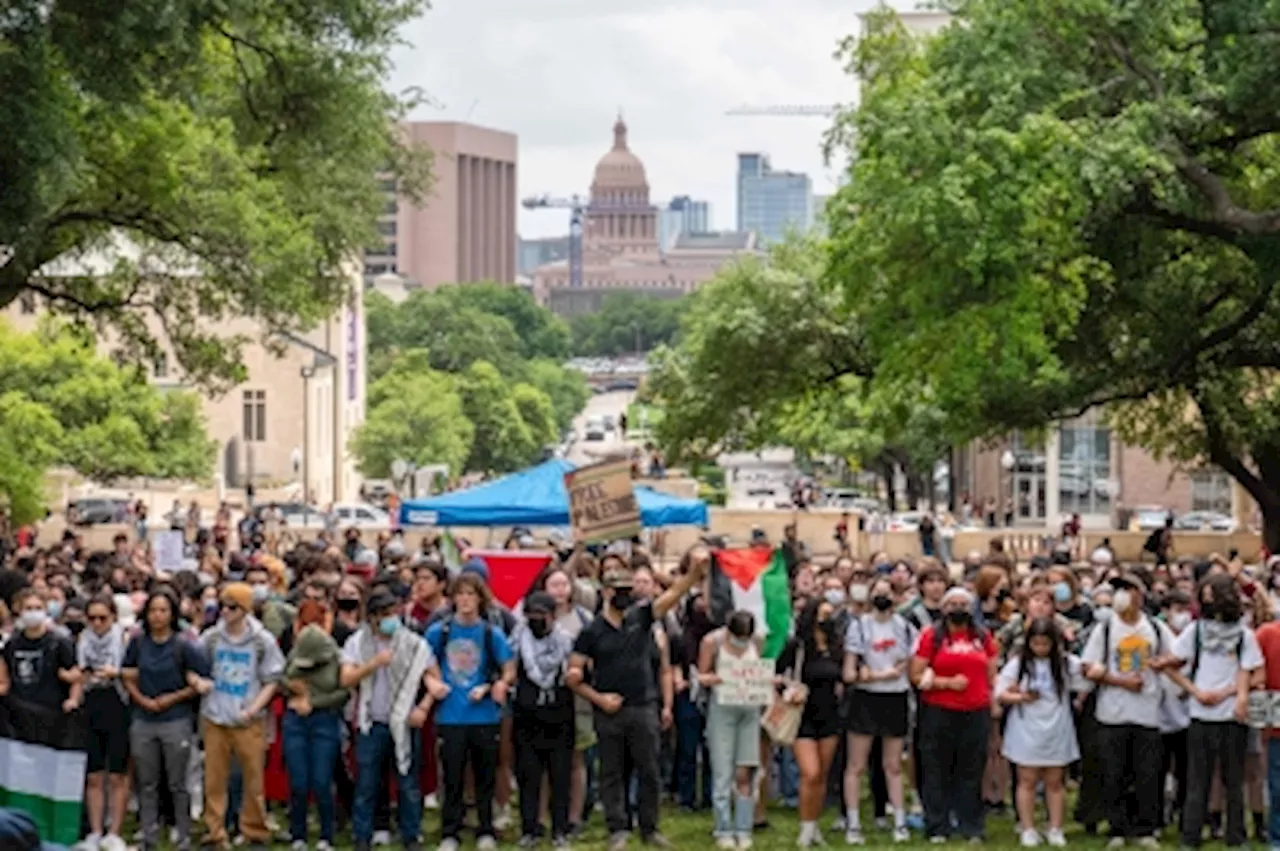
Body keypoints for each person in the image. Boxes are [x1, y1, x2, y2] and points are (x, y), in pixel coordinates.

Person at [567, 547, 709, 851]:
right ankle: (617, 828)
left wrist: (695, 573)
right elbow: (573, 675)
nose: (625, 595)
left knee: (649, 770)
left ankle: (650, 827)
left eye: (628, 590)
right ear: (605, 592)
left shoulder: (642, 617)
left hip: (644, 705)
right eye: (619, 590)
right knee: (611, 772)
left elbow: (671, 595)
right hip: (609, 711)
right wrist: (598, 698)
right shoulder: (591, 631)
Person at [1162, 574, 1262, 848]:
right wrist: (1196, 691)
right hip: (1200, 714)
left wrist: (1232, 694)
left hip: (1231, 715)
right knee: (1198, 779)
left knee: (1234, 779)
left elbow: (1250, 671)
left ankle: (1236, 835)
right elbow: (1172, 665)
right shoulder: (1195, 631)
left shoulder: (1244, 635)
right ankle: (1191, 835)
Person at [1080, 573, 1172, 847]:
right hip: (1113, 711)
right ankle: (1117, 827)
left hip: (1148, 711)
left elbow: (1176, 656)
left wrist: (1160, 664)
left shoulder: (1154, 628)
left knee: (1148, 771)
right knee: (1114, 771)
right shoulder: (1106, 629)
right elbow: (1089, 666)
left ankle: (1146, 827)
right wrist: (1119, 681)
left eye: (1127, 590)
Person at [424, 574, 515, 851]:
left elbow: (509, 667)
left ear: (480, 598)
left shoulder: (491, 633)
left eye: (470, 594)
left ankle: (485, 827)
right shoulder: (438, 632)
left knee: (485, 774)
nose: (465, 600)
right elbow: (426, 662)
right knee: (452, 776)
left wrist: (498, 684)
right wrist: (433, 682)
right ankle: (450, 831)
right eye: (460, 594)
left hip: (484, 715)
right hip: (450, 715)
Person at [195, 582, 286, 850]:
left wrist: (254, 708)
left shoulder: (262, 640)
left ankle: (255, 831)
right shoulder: (211, 638)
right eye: (222, 605)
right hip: (215, 716)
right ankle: (215, 831)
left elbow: (272, 679)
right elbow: (195, 666)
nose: (226, 611)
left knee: (253, 779)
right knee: (213, 779)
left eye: (233, 606)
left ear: (245, 609)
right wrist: (199, 683)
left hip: (248, 719)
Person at [342, 590, 434, 851]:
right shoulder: (357, 643)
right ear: (371, 618)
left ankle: (411, 836)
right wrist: (373, 664)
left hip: (403, 722)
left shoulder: (415, 644)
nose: (391, 620)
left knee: (408, 783)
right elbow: (346, 679)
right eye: (384, 615)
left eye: (394, 613)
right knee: (367, 784)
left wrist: (423, 708)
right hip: (371, 722)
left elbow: (433, 679)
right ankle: (362, 836)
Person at [121, 589, 209, 851]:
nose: (158, 616)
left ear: (172, 614)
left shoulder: (183, 645)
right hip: (143, 718)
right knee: (147, 781)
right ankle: (148, 833)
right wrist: (142, 699)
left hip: (176, 719)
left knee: (177, 781)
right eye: (153, 611)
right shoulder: (138, 643)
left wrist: (171, 698)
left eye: (163, 611)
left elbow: (201, 681)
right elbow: (127, 675)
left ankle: (182, 834)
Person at [910, 586, 998, 843]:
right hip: (939, 711)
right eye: (952, 604)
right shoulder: (930, 637)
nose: (958, 609)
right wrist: (945, 683)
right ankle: (937, 824)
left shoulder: (982, 636)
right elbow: (916, 675)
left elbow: (992, 671)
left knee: (971, 768)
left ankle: (971, 824)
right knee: (936, 767)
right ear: (943, 608)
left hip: (976, 711)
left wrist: (993, 700)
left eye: (963, 604)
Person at [996, 617, 1084, 847]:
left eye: (1046, 644)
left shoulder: (1066, 664)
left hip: (1056, 726)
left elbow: (1086, 678)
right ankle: (1028, 827)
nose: (1041, 649)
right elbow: (1001, 692)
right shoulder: (1018, 664)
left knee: (1055, 781)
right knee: (1027, 779)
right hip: (1026, 727)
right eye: (1036, 644)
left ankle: (1055, 827)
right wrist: (1022, 697)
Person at [842, 577, 917, 844]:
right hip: (866, 699)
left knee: (893, 764)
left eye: (888, 593)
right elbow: (849, 673)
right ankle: (853, 823)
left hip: (896, 698)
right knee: (856, 764)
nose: (883, 597)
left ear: (896, 597)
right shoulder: (859, 627)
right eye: (878, 592)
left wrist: (900, 672)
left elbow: (913, 665)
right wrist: (878, 675)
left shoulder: (905, 628)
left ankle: (899, 820)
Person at [282, 601, 350, 851]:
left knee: (322, 781)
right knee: (298, 781)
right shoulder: (297, 649)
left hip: (325, 721)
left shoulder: (335, 655)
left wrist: (313, 701)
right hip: (295, 722)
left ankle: (326, 836)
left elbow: (344, 692)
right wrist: (292, 689)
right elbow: (281, 677)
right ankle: (298, 835)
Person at [777, 598, 845, 848]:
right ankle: (805, 828)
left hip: (830, 714)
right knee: (810, 772)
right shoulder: (797, 646)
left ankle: (814, 824)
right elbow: (775, 674)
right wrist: (789, 690)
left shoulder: (836, 646)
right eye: (822, 614)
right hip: (802, 715)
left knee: (822, 776)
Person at [510, 592, 576, 847]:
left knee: (560, 774)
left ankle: (560, 828)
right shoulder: (517, 640)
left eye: (542, 615)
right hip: (527, 715)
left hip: (559, 715)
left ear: (553, 615)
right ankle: (530, 828)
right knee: (528, 774)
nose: (536, 620)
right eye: (531, 615)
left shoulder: (567, 641)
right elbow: (509, 668)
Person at [697, 610, 764, 850]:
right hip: (722, 710)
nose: (743, 640)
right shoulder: (711, 642)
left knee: (745, 770)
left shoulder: (757, 642)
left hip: (749, 710)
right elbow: (700, 675)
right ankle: (723, 827)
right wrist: (712, 679)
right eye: (739, 636)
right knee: (723, 771)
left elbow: (762, 670)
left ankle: (743, 827)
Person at [77, 594, 131, 851]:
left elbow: (134, 672)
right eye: (92, 618)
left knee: (118, 775)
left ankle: (115, 831)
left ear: (113, 617)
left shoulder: (124, 638)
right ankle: (96, 830)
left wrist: (117, 672)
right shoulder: (82, 640)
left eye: (103, 618)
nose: (97, 624)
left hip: (118, 703)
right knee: (94, 774)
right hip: (91, 704)